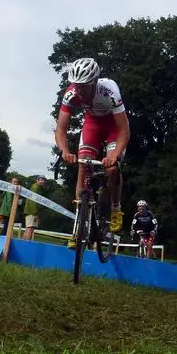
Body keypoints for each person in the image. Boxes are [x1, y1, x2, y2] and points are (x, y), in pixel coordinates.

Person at [54, 57, 130, 235]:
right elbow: (61, 129)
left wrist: (115, 155)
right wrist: (65, 151)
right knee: (83, 166)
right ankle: (78, 228)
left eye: (84, 85)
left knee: (112, 170)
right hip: (92, 124)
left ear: (94, 82)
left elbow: (124, 131)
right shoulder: (71, 93)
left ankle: (115, 207)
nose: (79, 90)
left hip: (113, 126)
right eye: (76, 85)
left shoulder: (110, 91)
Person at [23, 176, 45, 240]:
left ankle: (23, 243)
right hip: (32, 211)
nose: (43, 181)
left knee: (28, 228)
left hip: (30, 211)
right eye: (41, 180)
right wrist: (35, 213)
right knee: (30, 228)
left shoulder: (36, 187)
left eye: (44, 180)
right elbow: (33, 201)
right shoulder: (35, 188)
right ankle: (27, 244)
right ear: (37, 180)